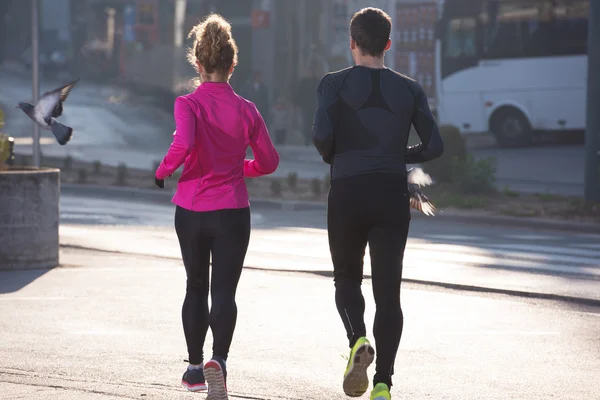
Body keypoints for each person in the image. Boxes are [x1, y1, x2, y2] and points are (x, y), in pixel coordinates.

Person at [312, 7, 443, 400]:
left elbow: (321, 135)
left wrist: (337, 155)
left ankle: (357, 340)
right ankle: (383, 384)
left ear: (352, 42)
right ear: (388, 44)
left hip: (348, 190)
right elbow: (435, 146)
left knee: (347, 278)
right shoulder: (410, 89)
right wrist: (400, 155)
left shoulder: (332, 84)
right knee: (389, 293)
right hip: (390, 193)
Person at [154, 13, 279, 399]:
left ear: (197, 63)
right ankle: (219, 362)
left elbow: (185, 144)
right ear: (232, 64)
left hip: (191, 210)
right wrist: (241, 168)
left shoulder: (186, 104)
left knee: (195, 285)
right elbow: (269, 162)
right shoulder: (247, 110)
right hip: (232, 211)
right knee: (224, 291)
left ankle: (193, 368)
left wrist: (163, 170)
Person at [294, 67, 321, 146]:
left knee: (313, 122)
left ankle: (312, 138)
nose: (310, 74)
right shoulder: (304, 82)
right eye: (309, 72)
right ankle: (306, 138)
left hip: (314, 105)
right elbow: (299, 94)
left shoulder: (317, 82)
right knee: (305, 122)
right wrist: (297, 104)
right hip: (305, 106)